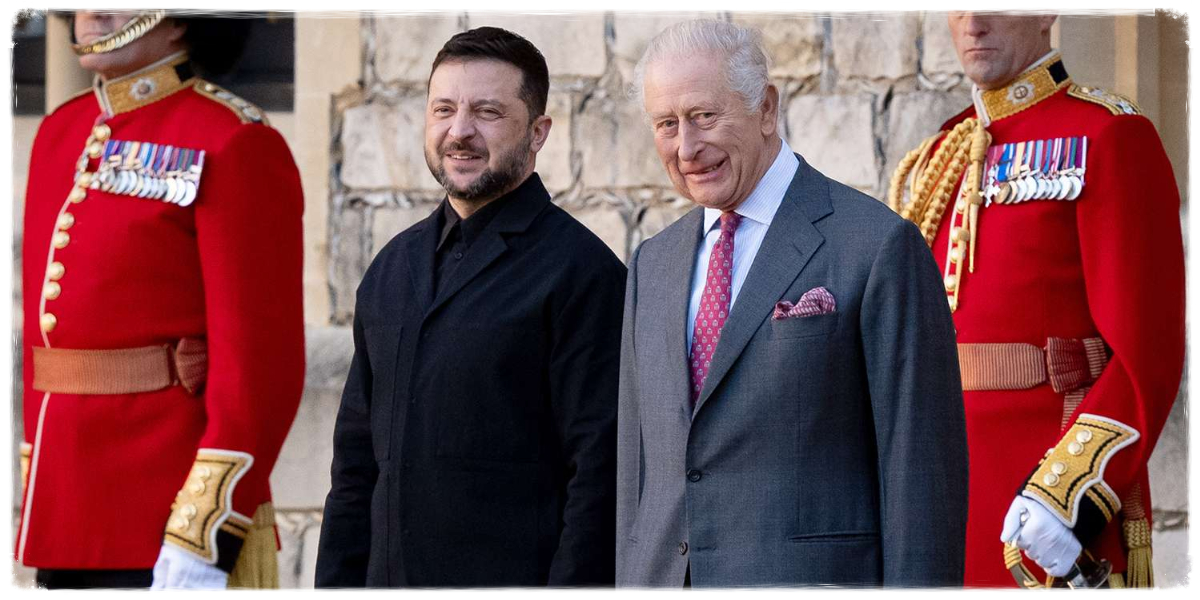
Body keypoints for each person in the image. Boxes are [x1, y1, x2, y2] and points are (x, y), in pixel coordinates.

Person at [616, 20, 967, 588]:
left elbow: (921, 478)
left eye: (705, 116)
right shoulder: (650, 265)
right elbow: (637, 481)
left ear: (766, 108)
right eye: (667, 124)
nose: (686, 147)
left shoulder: (876, 246)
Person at [314, 27, 626, 588]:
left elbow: (599, 478)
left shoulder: (584, 273)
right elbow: (355, 470)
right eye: (444, 110)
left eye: (487, 112)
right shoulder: (391, 269)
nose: (459, 131)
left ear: (538, 132)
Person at [887, 13, 1184, 588]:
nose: (973, 22)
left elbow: (1147, 351)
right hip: (937, 498)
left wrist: (1069, 494)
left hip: (1043, 503)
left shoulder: (1107, 134)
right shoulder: (938, 157)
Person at [16, 10, 305, 590]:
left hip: (167, 505)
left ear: (179, 19)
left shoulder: (232, 137)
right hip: (65, 502)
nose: (94, 12)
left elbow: (259, 365)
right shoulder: (59, 132)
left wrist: (206, 526)